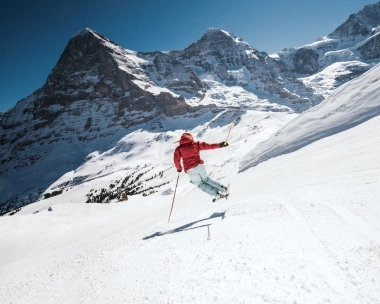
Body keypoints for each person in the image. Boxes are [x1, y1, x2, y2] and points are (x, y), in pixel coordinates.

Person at [173, 132, 229, 199]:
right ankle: (223, 188)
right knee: (206, 179)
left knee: (200, 184)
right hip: (199, 166)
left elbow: (176, 160)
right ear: (190, 138)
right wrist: (220, 145)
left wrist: (179, 168)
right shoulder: (195, 144)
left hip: (190, 170)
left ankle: (216, 194)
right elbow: (209, 146)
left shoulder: (179, 149)